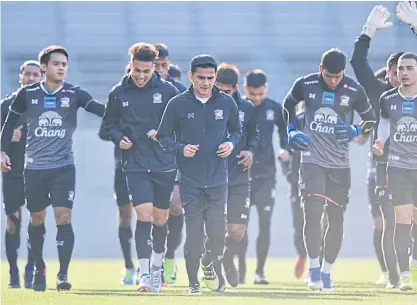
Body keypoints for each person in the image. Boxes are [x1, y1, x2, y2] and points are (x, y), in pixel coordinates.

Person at [0, 46, 105, 292]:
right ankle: (37, 267)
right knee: (36, 220)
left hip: (63, 168)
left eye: (64, 64)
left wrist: (125, 112)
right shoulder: (27, 95)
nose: (61, 68)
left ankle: (63, 274)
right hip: (34, 169)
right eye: (56, 63)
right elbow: (8, 125)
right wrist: (2, 151)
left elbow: (100, 110)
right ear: (44, 67)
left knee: (63, 217)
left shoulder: (74, 93)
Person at [282, 48, 376, 291]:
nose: (334, 81)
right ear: (321, 68)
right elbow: (287, 105)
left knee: (336, 219)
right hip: (311, 159)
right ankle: (313, 269)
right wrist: (292, 129)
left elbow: (370, 119)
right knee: (312, 213)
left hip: (340, 164)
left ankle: (326, 272)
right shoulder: (306, 84)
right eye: (329, 76)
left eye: (338, 77)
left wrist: (357, 131)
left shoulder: (354, 89)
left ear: (343, 72)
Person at [157, 54, 242, 295]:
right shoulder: (177, 104)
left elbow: (236, 130)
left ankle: (208, 263)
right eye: (201, 78)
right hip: (190, 181)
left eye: (210, 78)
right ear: (191, 76)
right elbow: (163, 137)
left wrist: (231, 144)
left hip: (217, 179)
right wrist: (180, 149)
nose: (205, 83)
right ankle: (193, 283)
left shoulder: (227, 103)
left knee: (217, 236)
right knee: (193, 234)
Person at [101, 43, 179, 293]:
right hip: (134, 164)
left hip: (164, 164)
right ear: (131, 65)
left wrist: (164, 134)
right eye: (137, 71)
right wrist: (118, 137)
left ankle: (157, 268)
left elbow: (183, 125)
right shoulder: (118, 92)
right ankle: (144, 274)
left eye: (146, 71)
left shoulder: (169, 91)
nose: (142, 76)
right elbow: (107, 126)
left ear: (154, 67)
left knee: (160, 218)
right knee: (143, 215)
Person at [350, 4, 402, 287]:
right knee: (382, 223)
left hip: (412, 166)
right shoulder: (378, 92)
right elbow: (358, 63)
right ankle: (389, 273)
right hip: (381, 167)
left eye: (407, 69)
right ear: (389, 74)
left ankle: (408, 271)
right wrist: (367, 31)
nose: (402, 75)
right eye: (396, 71)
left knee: (410, 222)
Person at [237, 69, 289, 285]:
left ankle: (260, 271)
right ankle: (240, 270)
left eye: (260, 94)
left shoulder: (274, 108)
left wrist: (285, 148)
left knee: (265, 224)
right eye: (252, 94)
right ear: (244, 89)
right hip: (241, 175)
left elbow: (285, 130)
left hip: (267, 175)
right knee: (241, 226)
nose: (256, 98)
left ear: (266, 89)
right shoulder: (238, 107)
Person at [374, 52, 417, 291]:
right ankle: (404, 275)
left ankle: (414, 263)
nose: (404, 73)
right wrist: (380, 142)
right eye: (401, 68)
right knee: (401, 220)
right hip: (398, 167)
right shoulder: (388, 99)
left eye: (409, 68)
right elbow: (384, 125)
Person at [214, 63, 259, 290]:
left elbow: (254, 137)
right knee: (213, 229)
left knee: (237, 230)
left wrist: (251, 150)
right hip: (211, 177)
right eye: (219, 90)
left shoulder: (248, 109)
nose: (223, 94)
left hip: (239, 176)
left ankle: (226, 258)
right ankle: (214, 270)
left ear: (235, 88)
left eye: (227, 91)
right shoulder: (204, 106)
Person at [1, 60, 42, 289]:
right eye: (27, 74)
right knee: (13, 221)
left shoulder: (48, 105)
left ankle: (31, 269)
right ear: (20, 77)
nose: (31, 78)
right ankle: (13, 271)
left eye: (36, 75)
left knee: (36, 221)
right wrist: (7, 140)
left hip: (38, 171)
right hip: (13, 171)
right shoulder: (6, 106)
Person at [97, 63, 136, 286]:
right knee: (125, 218)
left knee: (149, 216)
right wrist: (119, 135)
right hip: (122, 167)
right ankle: (129, 265)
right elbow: (104, 130)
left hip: (149, 166)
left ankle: (148, 265)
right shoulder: (117, 98)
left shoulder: (153, 99)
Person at [153, 43, 186, 285]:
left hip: (173, 160)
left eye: (164, 65)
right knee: (155, 216)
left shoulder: (180, 91)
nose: (160, 70)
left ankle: (169, 257)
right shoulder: (133, 91)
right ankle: (149, 264)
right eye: (156, 65)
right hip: (144, 162)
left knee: (175, 208)